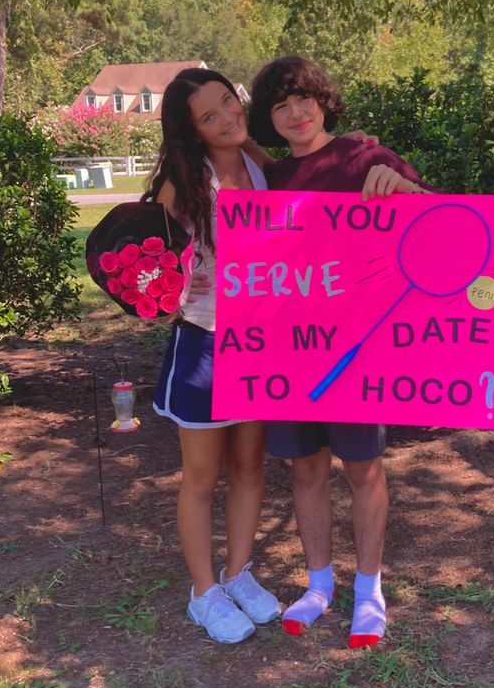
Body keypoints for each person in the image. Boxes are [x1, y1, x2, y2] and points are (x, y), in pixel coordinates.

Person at [249, 55, 431, 649]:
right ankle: (320, 584)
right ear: (268, 117)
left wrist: (404, 189)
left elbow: (440, 227)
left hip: (357, 349)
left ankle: (370, 590)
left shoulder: (362, 158)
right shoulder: (270, 179)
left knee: (362, 469)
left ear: (323, 100)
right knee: (304, 469)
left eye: (302, 98)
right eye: (279, 105)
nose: (294, 113)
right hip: (288, 348)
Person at [147, 67, 281, 645]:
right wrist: (171, 298)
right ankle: (204, 592)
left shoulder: (254, 162)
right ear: (192, 131)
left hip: (261, 340)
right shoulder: (184, 180)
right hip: (204, 341)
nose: (227, 117)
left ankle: (238, 574)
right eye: (210, 115)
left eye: (228, 102)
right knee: (203, 477)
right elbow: (142, 254)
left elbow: (313, 201)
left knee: (251, 467)